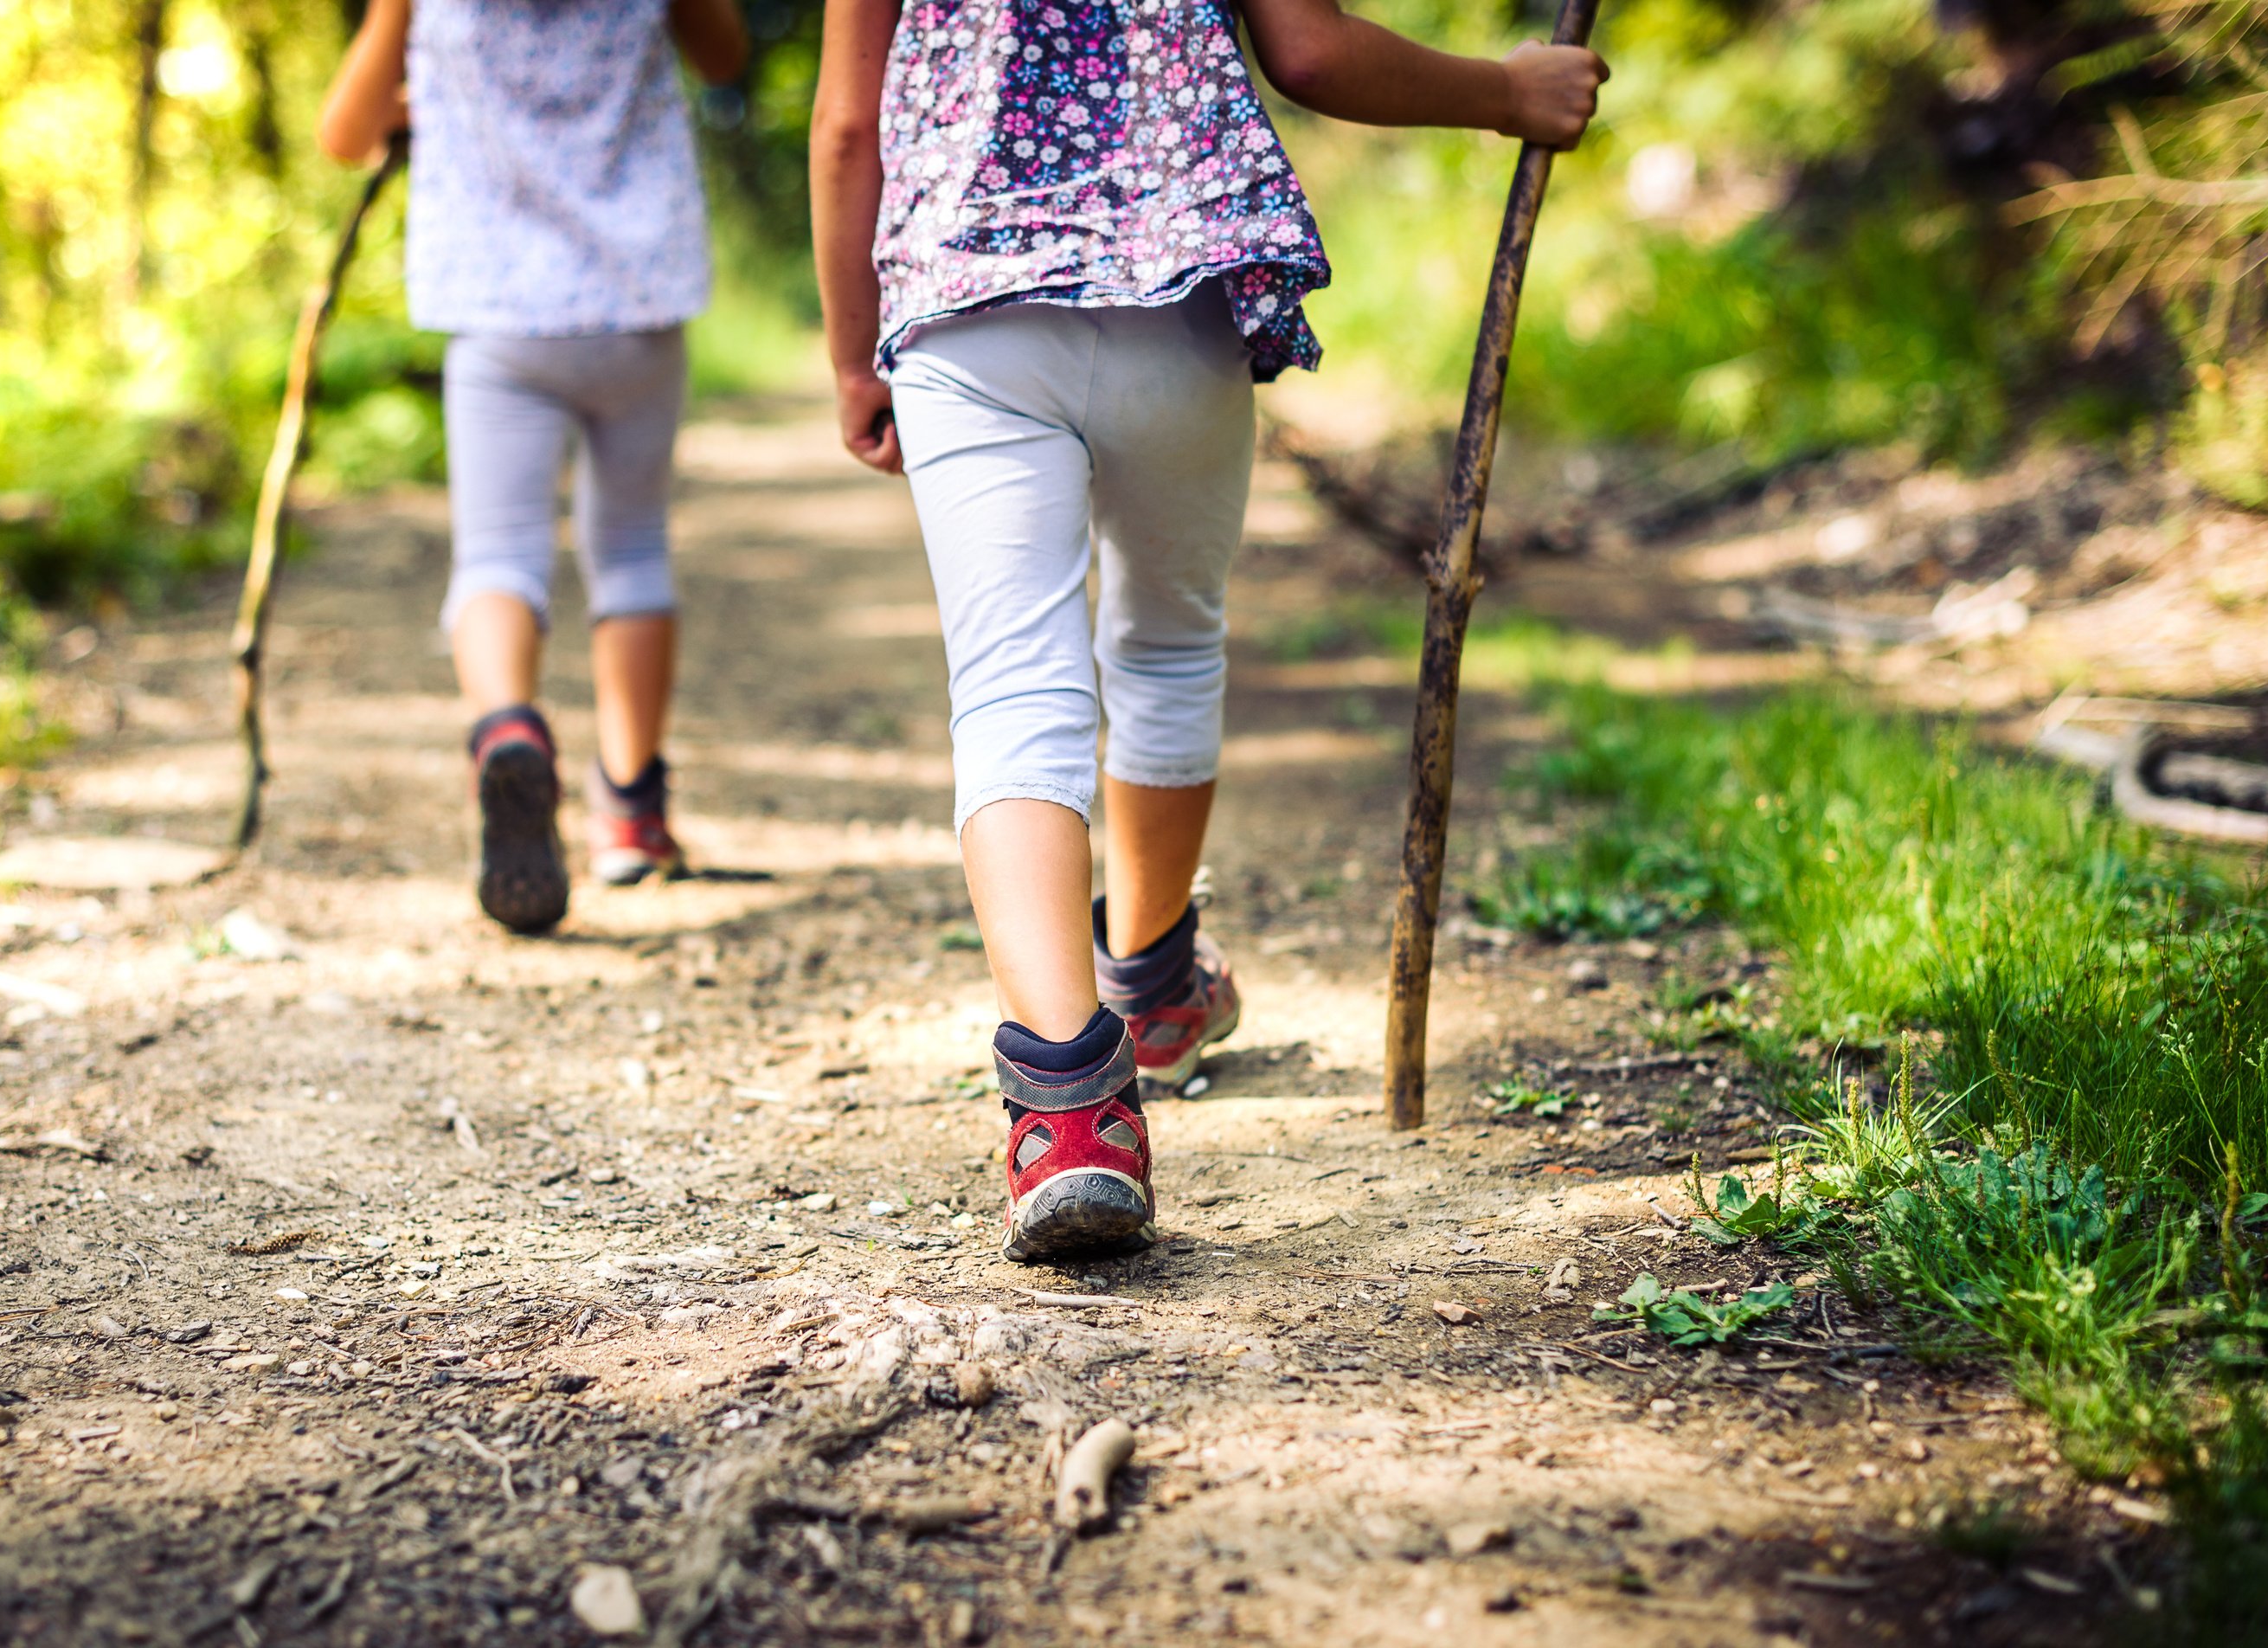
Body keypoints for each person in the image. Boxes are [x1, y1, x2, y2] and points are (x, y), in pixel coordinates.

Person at [810, 0, 1604, 1261]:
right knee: (1168, 642)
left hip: (967, 308)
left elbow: (852, 125)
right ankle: (1155, 982)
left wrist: (856, 354)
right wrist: (1506, 93)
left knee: (1015, 686)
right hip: (1172, 297)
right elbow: (1310, 50)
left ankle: (1069, 1110)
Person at [318, 0, 749, 933]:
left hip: (498, 311)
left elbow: (343, 133)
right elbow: (724, 58)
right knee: (630, 548)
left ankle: (507, 725)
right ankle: (631, 814)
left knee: (497, 555)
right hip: (636, 301)